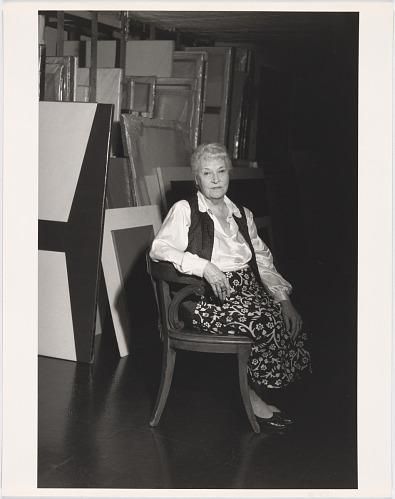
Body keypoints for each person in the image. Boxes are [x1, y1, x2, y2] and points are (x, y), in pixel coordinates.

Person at [150, 143, 311, 429]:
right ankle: (251, 399)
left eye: (221, 171)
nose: (215, 179)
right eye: (207, 173)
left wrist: (284, 298)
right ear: (196, 179)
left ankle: (257, 389)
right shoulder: (185, 210)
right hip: (206, 296)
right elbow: (159, 249)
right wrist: (205, 267)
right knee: (263, 321)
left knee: (286, 319)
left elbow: (262, 261)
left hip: (248, 290)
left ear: (229, 175)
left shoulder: (242, 215)